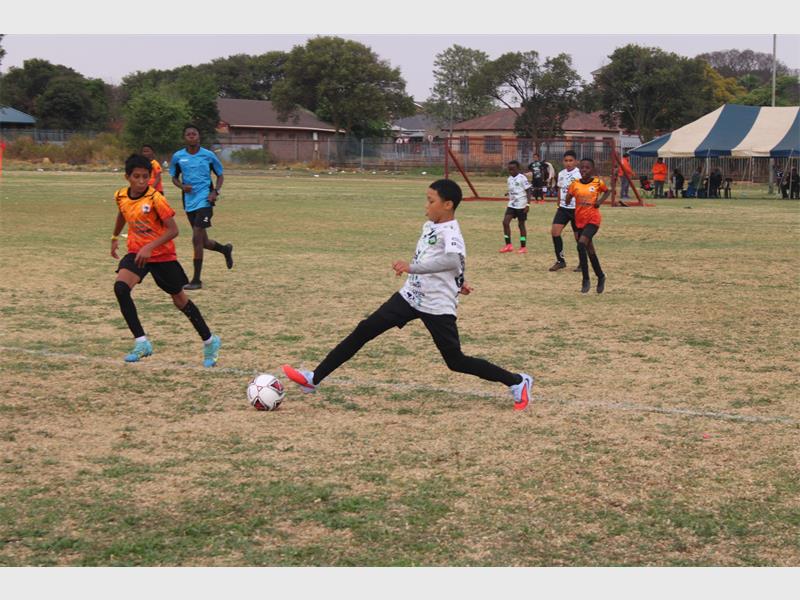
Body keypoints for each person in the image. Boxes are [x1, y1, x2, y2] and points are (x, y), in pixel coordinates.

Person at [281, 179, 535, 411]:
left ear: (448, 205)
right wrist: (459, 282)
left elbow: (452, 260)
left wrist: (412, 268)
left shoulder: (451, 232)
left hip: (436, 305)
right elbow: (447, 263)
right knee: (365, 329)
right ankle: (314, 378)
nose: (426, 205)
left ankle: (517, 381)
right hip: (410, 296)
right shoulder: (430, 225)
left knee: (455, 361)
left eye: (431, 201)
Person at [111, 154, 221, 366]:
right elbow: (122, 213)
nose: (141, 181)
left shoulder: (155, 199)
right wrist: (114, 237)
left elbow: (173, 230)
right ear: (127, 177)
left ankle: (210, 341)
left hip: (162, 255)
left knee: (180, 300)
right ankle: (142, 342)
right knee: (121, 288)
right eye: (136, 177)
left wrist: (150, 247)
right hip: (137, 253)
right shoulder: (121, 196)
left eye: (145, 177)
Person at [170, 125, 233, 290]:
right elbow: (174, 177)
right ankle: (225, 249)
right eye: (188, 134)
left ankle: (196, 280)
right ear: (185, 138)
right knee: (203, 242)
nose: (191, 136)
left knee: (196, 237)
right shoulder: (178, 157)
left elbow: (220, 175)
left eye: (194, 134)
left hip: (205, 200)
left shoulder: (208, 155)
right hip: (189, 202)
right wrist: (182, 186)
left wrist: (215, 191)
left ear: (199, 137)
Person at [565, 158, 611, 294]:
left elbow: (607, 191)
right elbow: (568, 198)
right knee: (590, 250)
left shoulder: (597, 182)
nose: (584, 170)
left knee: (581, 245)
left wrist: (599, 202)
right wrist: (568, 198)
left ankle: (585, 280)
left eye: (587, 167)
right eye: (582, 167)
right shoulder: (575, 184)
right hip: (580, 220)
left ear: (592, 169)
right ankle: (601, 276)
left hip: (593, 220)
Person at [550, 150, 582, 271]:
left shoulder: (579, 174)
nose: (568, 163)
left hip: (576, 209)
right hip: (563, 208)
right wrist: (558, 202)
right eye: (566, 161)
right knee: (555, 232)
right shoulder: (561, 173)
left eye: (571, 160)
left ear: (576, 161)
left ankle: (582, 263)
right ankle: (560, 261)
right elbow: (560, 188)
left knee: (579, 238)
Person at [500, 160, 533, 254]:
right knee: (505, 222)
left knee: (521, 225)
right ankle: (508, 245)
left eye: (513, 169)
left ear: (518, 169)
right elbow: (514, 189)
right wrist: (508, 193)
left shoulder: (522, 178)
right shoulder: (509, 179)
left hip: (521, 205)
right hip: (512, 205)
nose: (511, 171)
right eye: (509, 170)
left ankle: (523, 246)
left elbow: (528, 191)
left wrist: (528, 204)